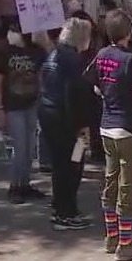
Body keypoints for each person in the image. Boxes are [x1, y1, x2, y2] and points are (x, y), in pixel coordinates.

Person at [88, 10, 132, 259]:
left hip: (107, 127)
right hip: (129, 128)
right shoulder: (131, 60)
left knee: (111, 182)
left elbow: (96, 87)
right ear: (128, 31)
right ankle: (125, 243)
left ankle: (112, 236)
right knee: (127, 188)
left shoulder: (101, 55)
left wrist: (111, 93)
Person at [38, 17, 96, 230]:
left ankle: (60, 206)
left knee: (61, 165)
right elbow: (74, 95)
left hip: (49, 114)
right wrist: (82, 126)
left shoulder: (54, 54)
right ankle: (66, 212)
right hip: (68, 120)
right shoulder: (74, 61)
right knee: (73, 165)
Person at [0, 21, 48, 204]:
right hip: (12, 106)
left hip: (31, 104)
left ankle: (25, 183)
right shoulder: (5, 52)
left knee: (30, 147)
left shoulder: (37, 51)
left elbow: (42, 75)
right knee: (20, 147)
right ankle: (15, 186)